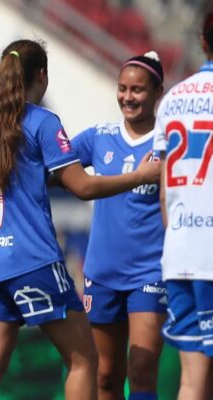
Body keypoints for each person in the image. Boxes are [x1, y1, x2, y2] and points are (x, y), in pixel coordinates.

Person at [0, 39, 160, 400]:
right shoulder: (42, 121)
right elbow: (80, 186)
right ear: (41, 76)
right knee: (83, 360)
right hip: (32, 261)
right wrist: (139, 177)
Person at [73, 52, 166, 400]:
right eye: (122, 88)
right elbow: (56, 169)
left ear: (158, 92)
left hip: (149, 273)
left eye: (138, 90)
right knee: (105, 375)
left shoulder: (169, 141)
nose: (128, 97)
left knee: (141, 371)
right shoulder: (98, 136)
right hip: (102, 274)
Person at [153, 11, 213, 400]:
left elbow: (163, 193)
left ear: (203, 43)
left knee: (192, 382)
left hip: (180, 252)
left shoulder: (173, 98)